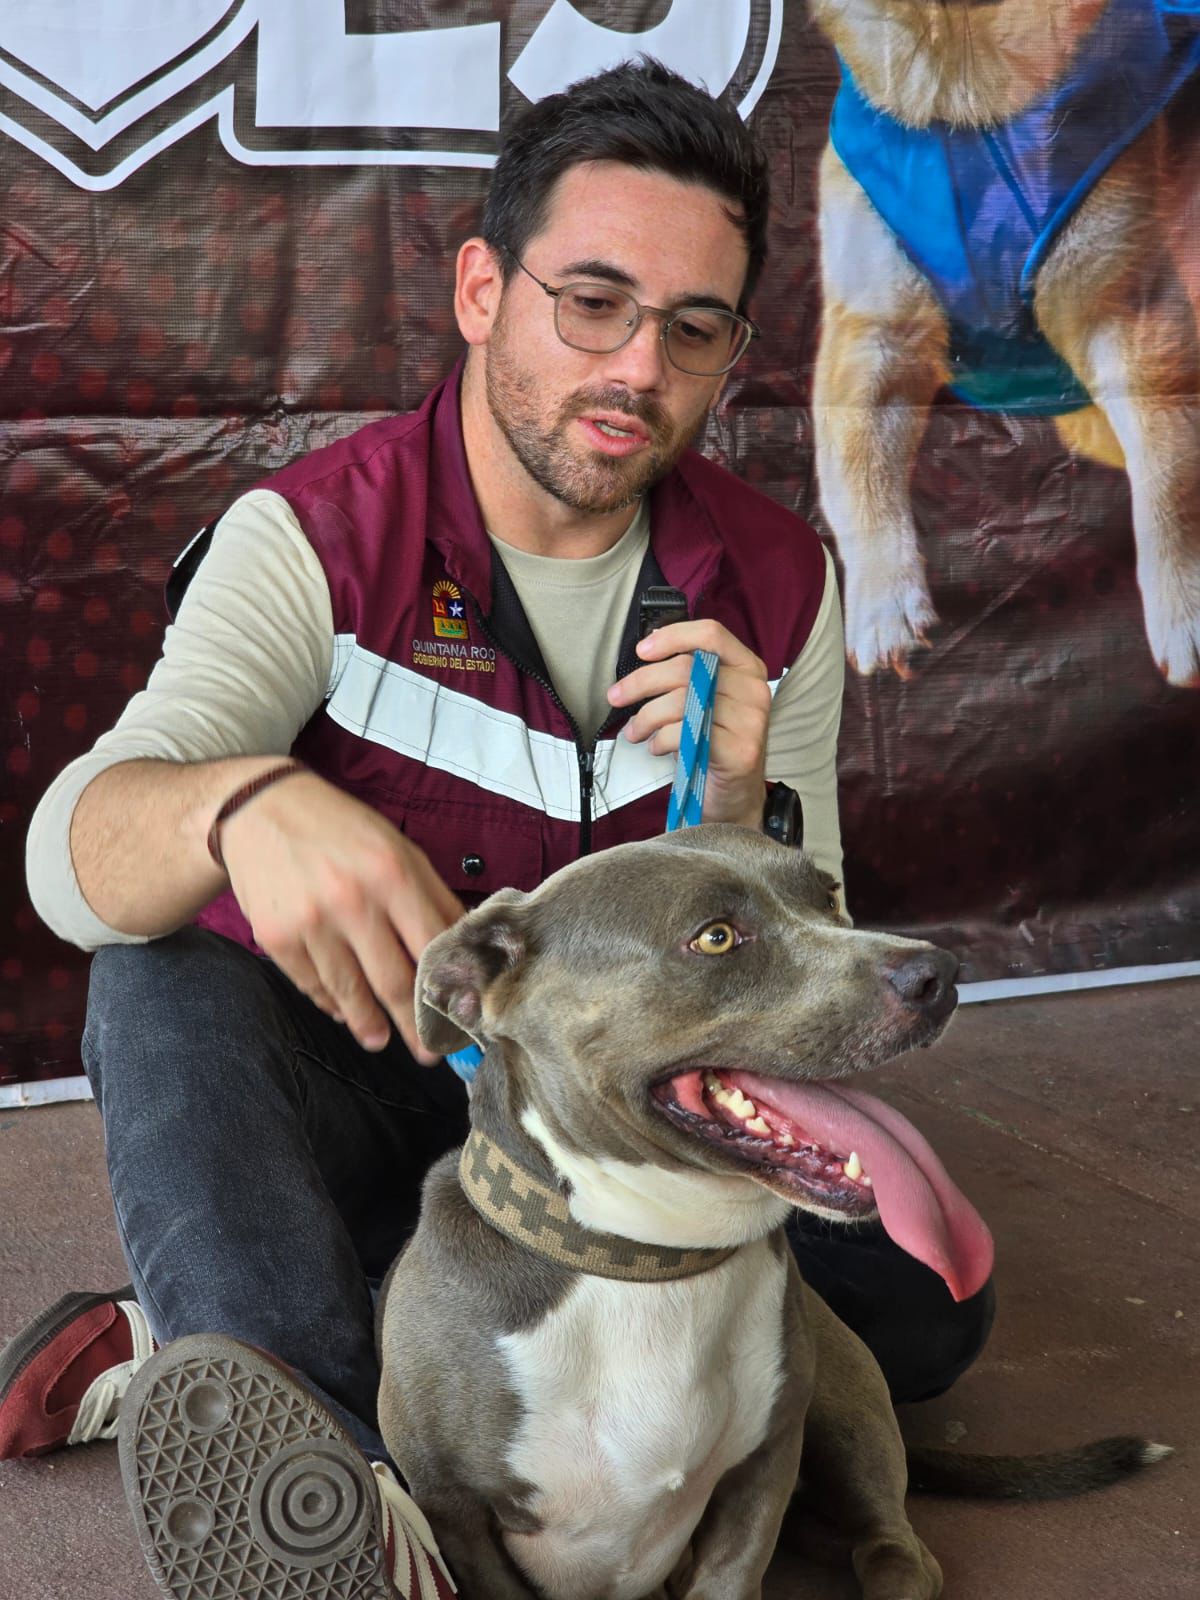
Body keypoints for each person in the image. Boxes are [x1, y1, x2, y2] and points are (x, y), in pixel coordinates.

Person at [7, 59, 993, 1598]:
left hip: (614, 1122)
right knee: (159, 968)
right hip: (379, 1081)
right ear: (482, 290)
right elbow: (71, 856)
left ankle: (208, 1322)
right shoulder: (316, 539)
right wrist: (240, 807)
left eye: (694, 329)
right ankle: (341, 1484)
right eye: (590, 304)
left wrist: (738, 816)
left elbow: (801, 966)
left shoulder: (778, 581)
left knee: (924, 1318)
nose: (638, 368)